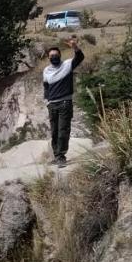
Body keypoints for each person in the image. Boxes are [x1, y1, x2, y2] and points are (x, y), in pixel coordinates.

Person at [43, 37, 84, 167]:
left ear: (60, 55)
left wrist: (75, 47)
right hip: (52, 105)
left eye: (55, 55)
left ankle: (61, 157)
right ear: (48, 58)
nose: (53, 57)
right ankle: (56, 156)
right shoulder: (46, 71)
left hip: (65, 103)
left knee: (63, 131)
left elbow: (80, 57)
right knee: (54, 132)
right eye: (51, 55)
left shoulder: (67, 64)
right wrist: (48, 102)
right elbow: (46, 87)